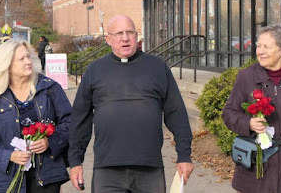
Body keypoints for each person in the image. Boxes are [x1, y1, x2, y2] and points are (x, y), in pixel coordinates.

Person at [68, 15, 194, 192]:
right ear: (108, 39)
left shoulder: (157, 67)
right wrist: (75, 161)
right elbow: (80, 119)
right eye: (119, 33)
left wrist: (184, 155)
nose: (125, 38)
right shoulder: (94, 70)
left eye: (130, 32)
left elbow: (176, 113)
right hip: (107, 169)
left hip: (149, 167)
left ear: (137, 36)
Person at [0, 39, 72, 193]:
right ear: (7, 66)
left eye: (28, 57)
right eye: (21, 59)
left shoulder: (50, 88)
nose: (28, 62)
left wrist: (50, 141)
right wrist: (9, 156)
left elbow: (70, 122)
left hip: (47, 176)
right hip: (9, 179)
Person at [222, 23, 281, 192]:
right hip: (256, 160)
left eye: (266, 47)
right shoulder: (246, 77)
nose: (260, 51)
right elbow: (228, 113)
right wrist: (248, 123)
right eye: (258, 46)